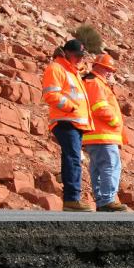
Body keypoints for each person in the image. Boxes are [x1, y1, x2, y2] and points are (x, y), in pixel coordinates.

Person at [42, 39, 94, 212]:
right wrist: (70, 107)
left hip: (75, 122)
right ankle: (72, 199)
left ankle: (70, 200)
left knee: (71, 158)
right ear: (67, 53)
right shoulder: (56, 68)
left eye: (82, 56)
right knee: (73, 158)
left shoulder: (73, 71)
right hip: (65, 121)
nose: (80, 59)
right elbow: (51, 95)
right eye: (77, 55)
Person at [82, 54, 128, 212]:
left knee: (98, 168)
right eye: (107, 69)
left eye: (111, 70)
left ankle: (102, 201)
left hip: (96, 135)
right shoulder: (95, 83)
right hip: (103, 134)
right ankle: (107, 199)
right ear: (97, 66)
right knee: (110, 166)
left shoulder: (92, 82)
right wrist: (115, 121)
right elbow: (100, 107)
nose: (110, 72)